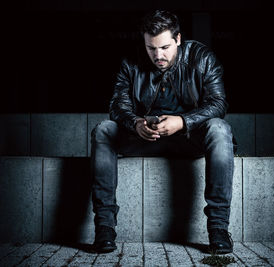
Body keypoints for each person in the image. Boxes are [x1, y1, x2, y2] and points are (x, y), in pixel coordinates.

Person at [91, 10, 235, 254]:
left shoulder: (202, 58)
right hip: (145, 137)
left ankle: (218, 230)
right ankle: (104, 229)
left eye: (165, 47)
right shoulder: (130, 61)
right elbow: (117, 105)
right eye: (151, 48)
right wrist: (136, 123)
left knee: (220, 129)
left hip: (189, 138)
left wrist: (182, 121)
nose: (158, 55)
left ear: (178, 39)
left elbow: (219, 104)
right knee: (104, 129)